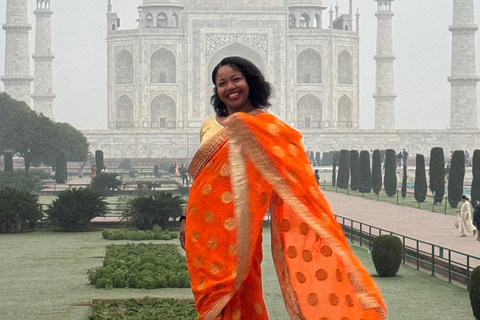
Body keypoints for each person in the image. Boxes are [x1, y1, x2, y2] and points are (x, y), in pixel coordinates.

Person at [180, 56, 386, 320]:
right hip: (205, 226)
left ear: (250, 82)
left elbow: (294, 180)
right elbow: (202, 181)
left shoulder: (271, 129)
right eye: (221, 83)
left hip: (242, 231)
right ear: (216, 91)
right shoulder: (210, 125)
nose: (229, 87)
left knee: (240, 289)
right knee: (208, 297)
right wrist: (186, 217)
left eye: (236, 79)